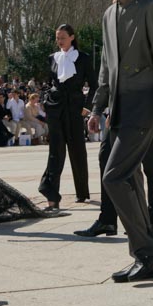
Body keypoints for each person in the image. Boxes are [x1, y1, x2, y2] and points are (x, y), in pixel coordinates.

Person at [85, 0, 153, 283]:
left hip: (144, 104)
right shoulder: (109, 14)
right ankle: (146, 254)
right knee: (130, 177)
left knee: (114, 177)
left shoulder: (149, 9)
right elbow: (107, 67)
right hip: (118, 109)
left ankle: (146, 252)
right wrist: (97, 106)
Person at [38, 24, 97, 209]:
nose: (59, 41)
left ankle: (82, 191)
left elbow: (95, 84)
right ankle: (51, 195)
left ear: (72, 37)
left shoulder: (84, 58)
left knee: (77, 149)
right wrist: (45, 100)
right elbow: (47, 83)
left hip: (75, 108)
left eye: (62, 37)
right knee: (55, 150)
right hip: (55, 108)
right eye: (57, 38)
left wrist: (88, 108)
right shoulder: (52, 58)